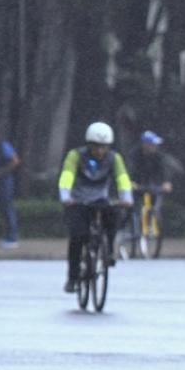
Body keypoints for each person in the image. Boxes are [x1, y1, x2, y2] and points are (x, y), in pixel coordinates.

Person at [58, 122, 133, 293]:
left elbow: (122, 178)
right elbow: (67, 175)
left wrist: (126, 198)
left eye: (104, 147)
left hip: (100, 198)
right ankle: (73, 277)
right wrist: (65, 196)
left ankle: (110, 251)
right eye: (96, 146)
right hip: (77, 201)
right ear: (89, 144)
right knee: (77, 237)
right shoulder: (75, 155)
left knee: (113, 218)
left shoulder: (114, 158)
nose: (100, 151)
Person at [128, 130, 177, 229]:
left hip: (152, 185)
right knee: (134, 206)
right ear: (145, 145)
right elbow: (130, 170)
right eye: (152, 144)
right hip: (137, 184)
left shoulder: (158, 156)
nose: (155, 146)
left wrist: (166, 182)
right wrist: (131, 182)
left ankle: (151, 222)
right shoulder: (134, 154)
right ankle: (130, 226)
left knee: (155, 204)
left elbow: (163, 171)